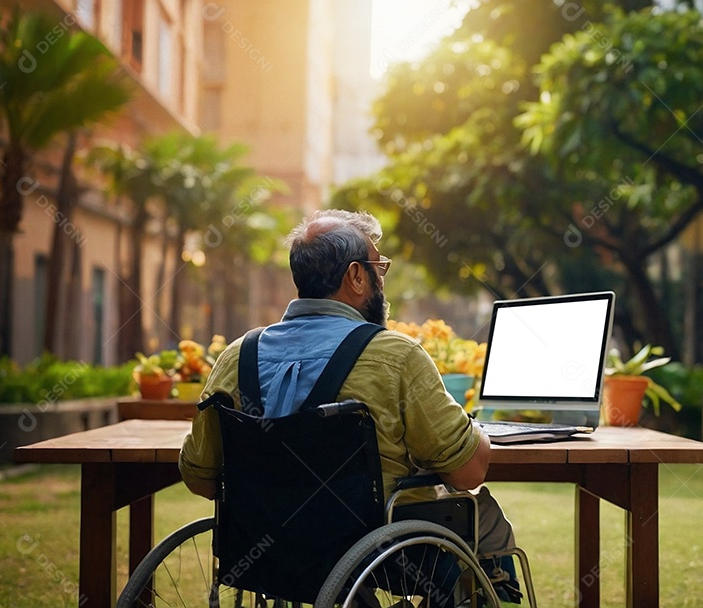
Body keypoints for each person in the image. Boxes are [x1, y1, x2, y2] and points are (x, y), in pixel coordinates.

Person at [179, 209, 520, 602]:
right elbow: (467, 473)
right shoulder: (396, 357)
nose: (381, 281)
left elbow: (201, 479)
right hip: (380, 552)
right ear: (357, 276)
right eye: (379, 268)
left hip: (266, 550)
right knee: (485, 514)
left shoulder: (236, 357)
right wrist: (473, 429)